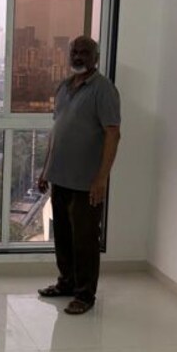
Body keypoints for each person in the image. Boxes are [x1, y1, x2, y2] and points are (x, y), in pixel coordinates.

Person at [37, 35, 121, 314]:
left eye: (84, 52)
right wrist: (45, 170)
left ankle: (85, 295)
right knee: (63, 236)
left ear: (96, 57)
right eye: (74, 51)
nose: (78, 56)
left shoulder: (103, 89)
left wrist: (101, 179)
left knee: (85, 240)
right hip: (60, 177)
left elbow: (113, 134)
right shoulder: (64, 87)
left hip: (87, 182)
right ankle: (66, 283)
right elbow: (57, 131)